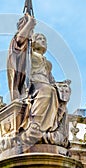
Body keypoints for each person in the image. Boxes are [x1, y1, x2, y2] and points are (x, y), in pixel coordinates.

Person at [7, 13, 70, 147]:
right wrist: (29, 25)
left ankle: (48, 128)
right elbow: (19, 43)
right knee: (46, 90)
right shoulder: (28, 53)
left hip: (46, 85)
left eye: (44, 39)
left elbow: (51, 79)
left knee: (54, 93)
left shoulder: (47, 63)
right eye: (40, 38)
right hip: (33, 86)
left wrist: (62, 86)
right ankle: (35, 124)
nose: (43, 40)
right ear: (33, 41)